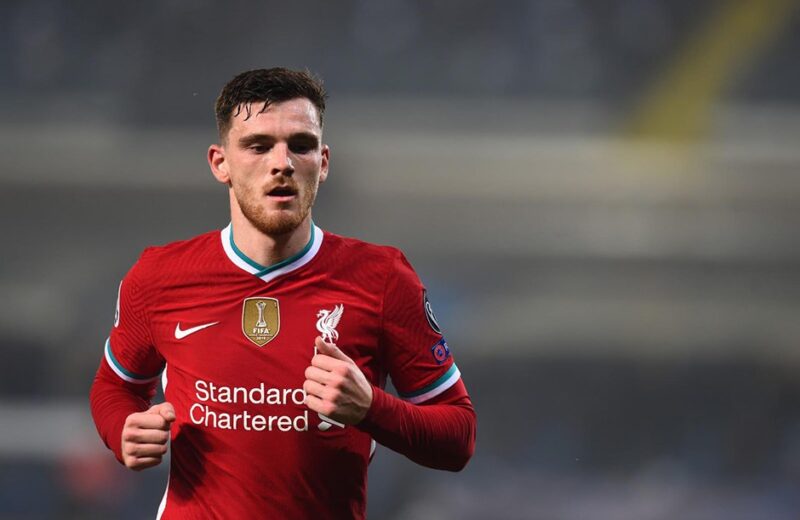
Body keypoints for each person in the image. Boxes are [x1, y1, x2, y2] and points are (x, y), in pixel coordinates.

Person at [89, 67, 476, 519]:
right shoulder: (159, 276)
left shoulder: (383, 278)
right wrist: (122, 431)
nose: (282, 163)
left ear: (323, 162)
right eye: (258, 146)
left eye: (301, 145)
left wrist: (372, 408)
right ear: (220, 163)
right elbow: (115, 386)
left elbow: (459, 436)